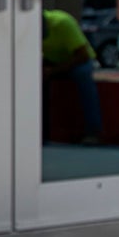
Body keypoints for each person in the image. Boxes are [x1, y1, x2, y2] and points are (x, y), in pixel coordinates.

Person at [39, 7, 103, 143]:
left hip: (76, 60)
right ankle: (40, 131)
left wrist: (53, 71)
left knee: (84, 76)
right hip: (52, 60)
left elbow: (83, 55)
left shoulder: (62, 22)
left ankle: (93, 131)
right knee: (34, 81)